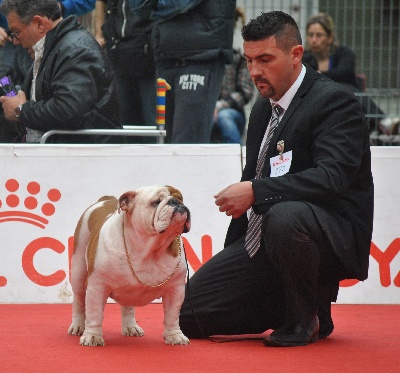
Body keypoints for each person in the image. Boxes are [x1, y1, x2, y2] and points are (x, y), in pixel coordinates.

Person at [179, 11, 374, 347]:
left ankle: (305, 317)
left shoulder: (334, 101)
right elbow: (253, 180)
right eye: (249, 60)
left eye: (265, 59)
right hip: (267, 239)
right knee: (187, 316)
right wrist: (235, 257)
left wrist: (256, 191)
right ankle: (292, 304)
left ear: (296, 54)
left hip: (326, 233)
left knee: (285, 215)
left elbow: (332, 178)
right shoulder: (261, 108)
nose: (255, 71)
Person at [0, 0, 122, 144]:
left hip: (81, 157)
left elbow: (66, 110)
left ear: (39, 24)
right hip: (56, 151)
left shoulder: (76, 50)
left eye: (17, 32)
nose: (15, 41)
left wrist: (20, 110)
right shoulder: (52, 48)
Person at [149, 0, 236, 144]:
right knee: (162, 142)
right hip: (165, 53)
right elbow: (138, 7)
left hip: (201, 56)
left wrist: (153, 7)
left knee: (187, 143)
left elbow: (177, 4)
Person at [302, 12, 399, 138]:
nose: (314, 40)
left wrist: (318, 75)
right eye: (311, 35)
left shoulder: (344, 53)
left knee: (344, 87)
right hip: (316, 104)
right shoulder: (305, 58)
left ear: (330, 37)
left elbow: (345, 73)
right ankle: (383, 123)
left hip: (344, 103)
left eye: (319, 35)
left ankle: (383, 123)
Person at [95, 0, 156, 143]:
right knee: (124, 120)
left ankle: (155, 162)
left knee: (152, 121)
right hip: (117, 48)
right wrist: (99, 32)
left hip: (149, 48)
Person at [211, 6, 255, 145]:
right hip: (207, 110)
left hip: (232, 112)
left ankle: (239, 160)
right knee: (204, 120)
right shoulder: (207, 57)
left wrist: (219, 106)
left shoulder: (239, 57)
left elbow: (246, 92)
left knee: (224, 118)